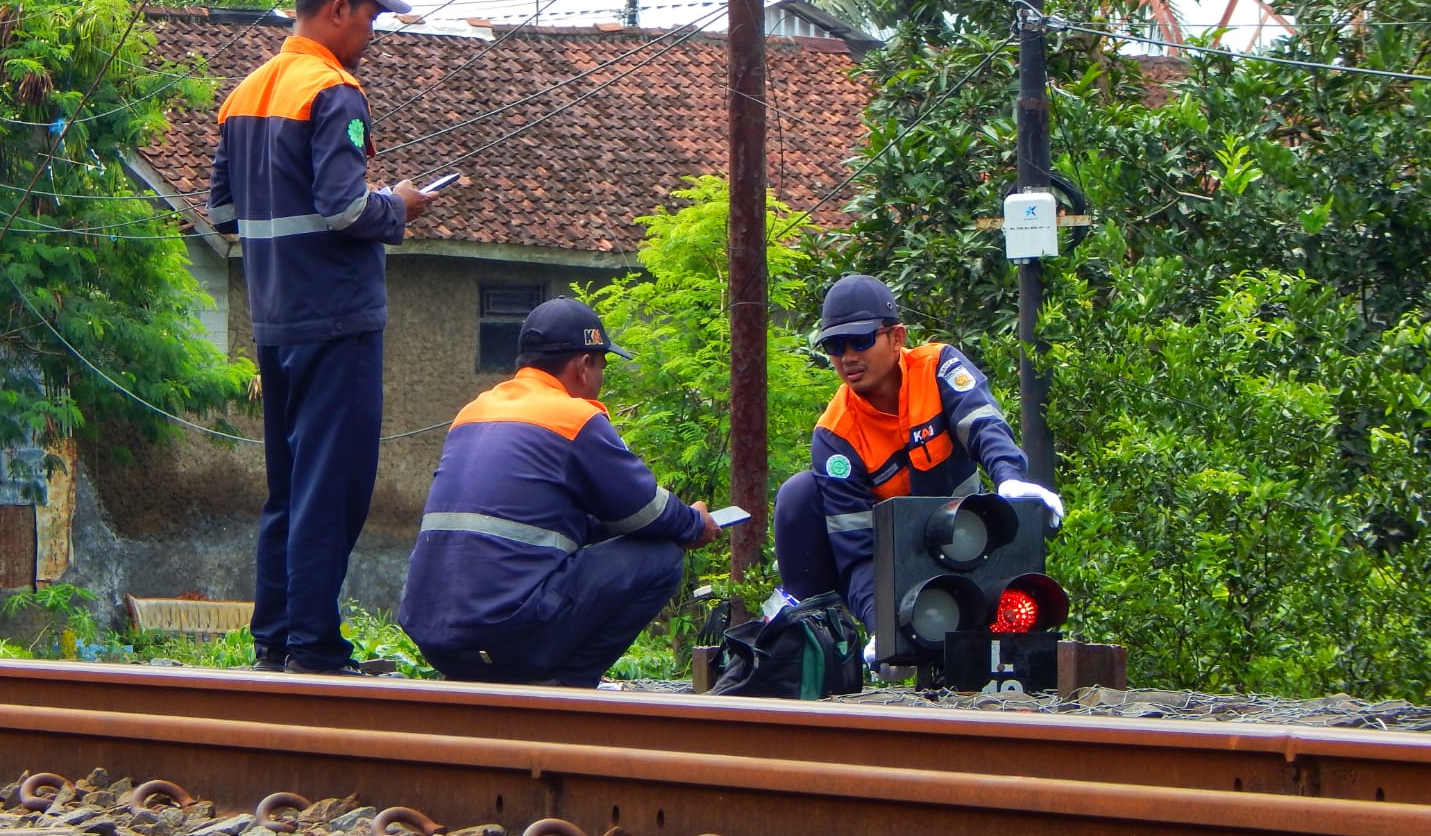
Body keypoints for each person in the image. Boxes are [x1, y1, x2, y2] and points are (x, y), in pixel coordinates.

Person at [208, 0, 437, 675]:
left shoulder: (244, 95)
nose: (372, 31)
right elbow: (343, 210)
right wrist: (396, 205)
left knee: (289, 488)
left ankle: (275, 640)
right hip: (337, 319)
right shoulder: (332, 92)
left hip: (276, 319)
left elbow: (220, 213)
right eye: (370, 16)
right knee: (330, 491)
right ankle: (313, 648)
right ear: (339, 8)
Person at [397, 296, 722, 687]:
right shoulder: (573, 417)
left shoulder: (473, 413)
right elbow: (648, 511)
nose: (602, 377)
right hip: (508, 637)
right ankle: (569, 687)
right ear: (584, 366)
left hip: (437, 640)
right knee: (661, 557)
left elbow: (539, 524)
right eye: (602, 365)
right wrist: (694, 521)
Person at [773, 275, 1063, 659]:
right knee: (798, 494)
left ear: (896, 338)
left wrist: (1010, 478)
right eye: (834, 345)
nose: (848, 357)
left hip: (965, 543)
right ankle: (821, 647)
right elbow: (856, 551)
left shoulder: (938, 367)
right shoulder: (835, 435)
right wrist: (885, 630)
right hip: (889, 564)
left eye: (861, 341)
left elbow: (982, 425)